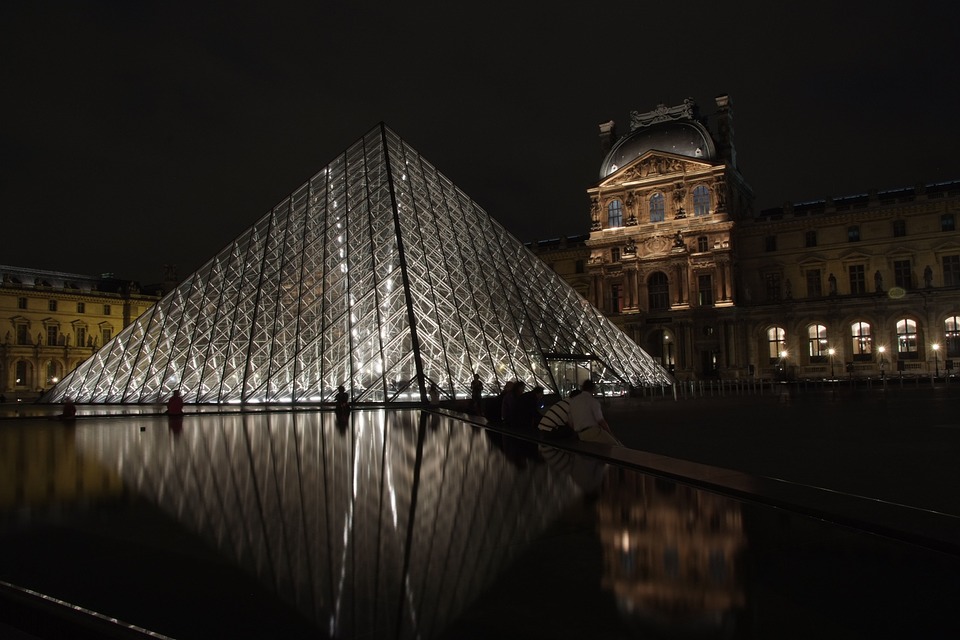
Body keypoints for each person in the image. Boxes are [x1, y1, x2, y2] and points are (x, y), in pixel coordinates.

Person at [568, 380, 620, 445]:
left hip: (580, 434)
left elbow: (570, 422)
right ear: (593, 389)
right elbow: (601, 421)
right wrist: (610, 433)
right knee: (615, 445)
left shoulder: (573, 401)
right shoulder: (593, 401)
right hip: (593, 432)